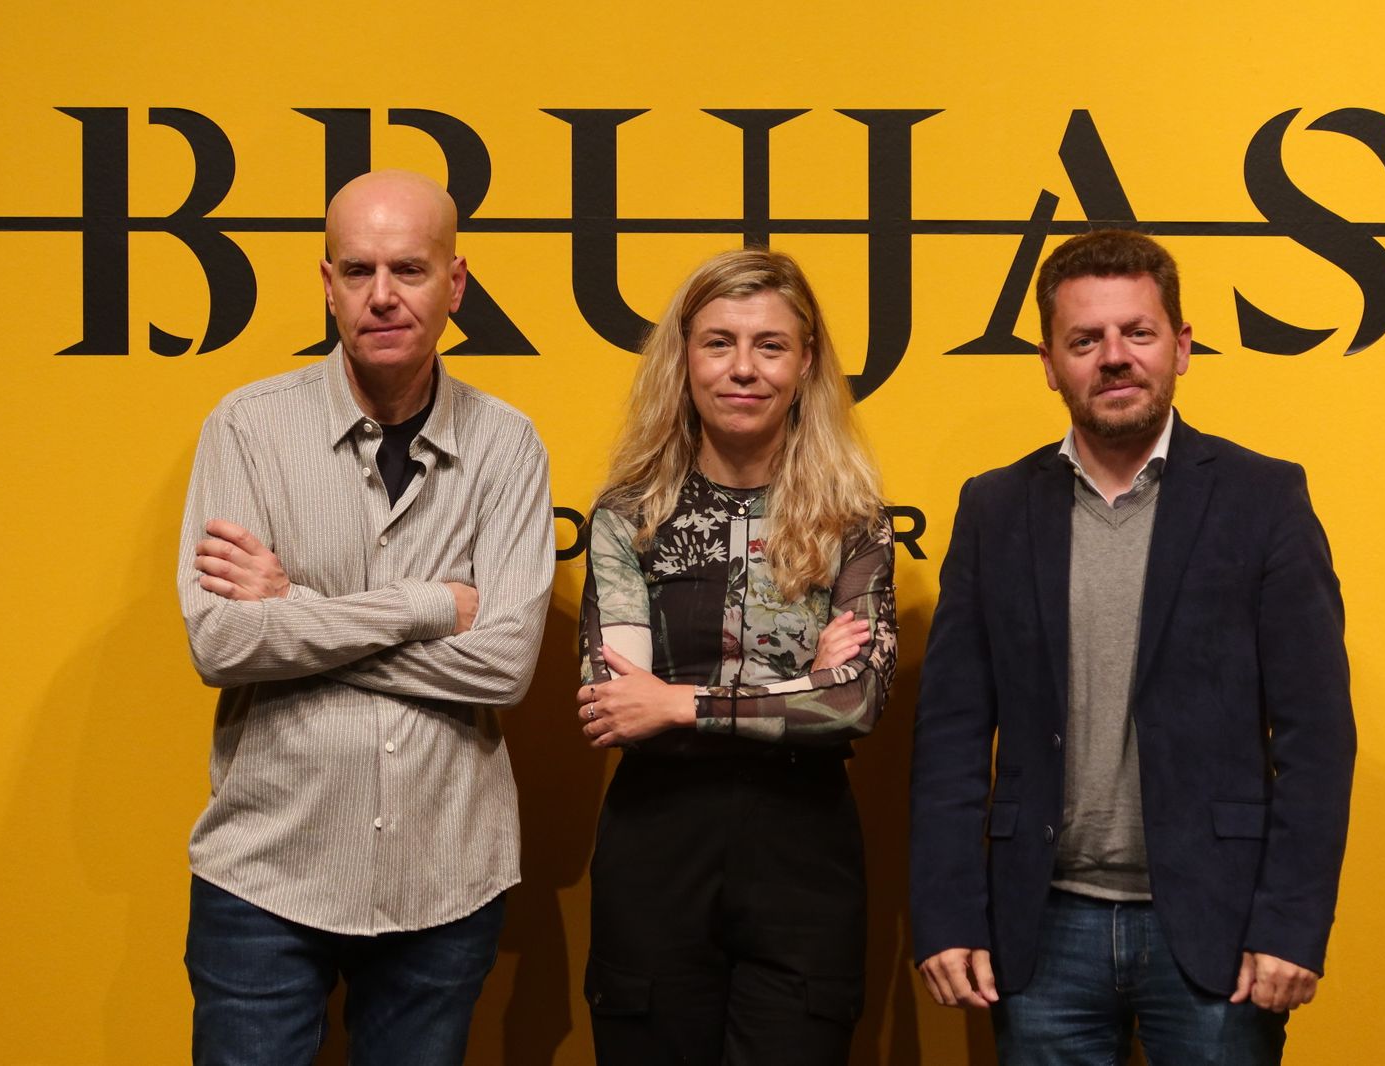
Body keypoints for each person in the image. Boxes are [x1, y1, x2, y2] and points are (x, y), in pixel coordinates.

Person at [909, 229, 1355, 1064]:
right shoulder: (996, 509)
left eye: (1137, 334)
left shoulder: (1264, 499)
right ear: (1049, 361)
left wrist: (1292, 924)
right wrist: (947, 913)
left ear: (1181, 348)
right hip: (1042, 931)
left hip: (1218, 931)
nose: (1114, 358)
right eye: (1085, 340)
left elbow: (1316, 736)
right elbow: (952, 736)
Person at [176, 169, 554, 1065]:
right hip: (265, 874)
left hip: (445, 878)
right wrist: (428, 606)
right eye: (357, 271)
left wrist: (297, 612)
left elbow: (503, 667)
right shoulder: (248, 430)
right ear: (328, 284)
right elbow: (223, 640)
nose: (382, 295)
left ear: (456, 284)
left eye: (409, 270)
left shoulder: (508, 446)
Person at [575, 248, 897, 1065]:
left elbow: (855, 704)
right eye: (719, 342)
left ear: (806, 362)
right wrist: (801, 682)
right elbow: (616, 707)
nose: (743, 369)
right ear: (683, 359)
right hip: (657, 849)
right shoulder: (628, 518)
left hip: (804, 855)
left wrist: (682, 702)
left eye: (770, 345)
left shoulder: (853, 522)